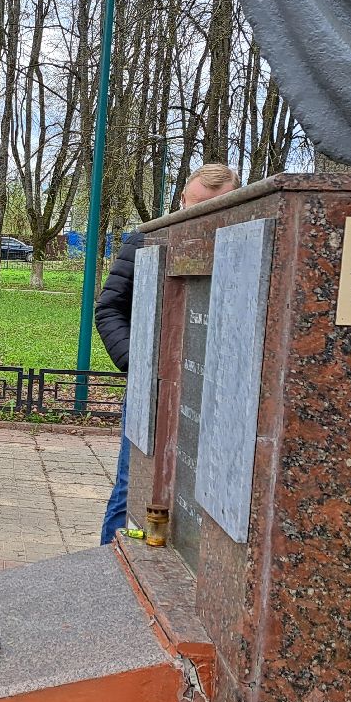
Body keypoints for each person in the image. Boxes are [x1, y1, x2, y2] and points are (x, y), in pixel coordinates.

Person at [95, 161, 240, 543]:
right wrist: (139, 365)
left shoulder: (245, 244)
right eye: (194, 206)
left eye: (216, 208)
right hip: (153, 391)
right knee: (132, 487)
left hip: (221, 396)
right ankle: (110, 562)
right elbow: (109, 308)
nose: (201, 218)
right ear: (182, 201)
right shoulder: (145, 241)